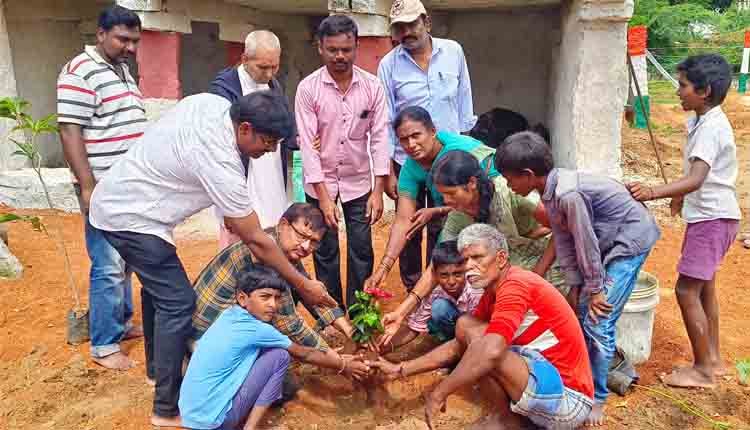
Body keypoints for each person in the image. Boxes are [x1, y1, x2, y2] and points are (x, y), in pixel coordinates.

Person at [89, 91, 337, 427]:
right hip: (130, 216)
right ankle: (166, 408)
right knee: (176, 302)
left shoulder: (215, 106)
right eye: (267, 141)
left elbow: (248, 227)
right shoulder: (220, 161)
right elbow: (256, 241)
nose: (271, 150)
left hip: (134, 203)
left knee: (157, 292)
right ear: (245, 128)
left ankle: (157, 370)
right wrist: (305, 288)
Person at [495, 131, 660, 426]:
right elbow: (563, 238)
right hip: (609, 240)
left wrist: (595, 288)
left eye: (510, 179)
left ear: (529, 174)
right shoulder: (551, 191)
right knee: (582, 310)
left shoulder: (567, 194)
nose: (508, 185)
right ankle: (592, 374)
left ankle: (597, 396)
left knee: (598, 320)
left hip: (629, 240)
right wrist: (575, 284)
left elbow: (585, 242)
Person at [371, 224, 594, 430]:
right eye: (466, 260)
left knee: (486, 345)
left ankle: (507, 419)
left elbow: (491, 350)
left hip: (569, 402)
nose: (469, 267)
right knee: (467, 327)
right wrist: (400, 369)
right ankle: (506, 417)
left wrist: (440, 392)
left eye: (477, 257)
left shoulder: (516, 284)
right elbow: (458, 345)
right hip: (544, 383)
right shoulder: (493, 291)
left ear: (501, 258)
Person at [627, 54, 739, 389]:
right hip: (716, 215)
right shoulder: (703, 121)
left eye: (683, 86)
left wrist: (653, 191)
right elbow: (696, 176)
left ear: (703, 91)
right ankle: (713, 359)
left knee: (685, 290)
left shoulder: (711, 128)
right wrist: (680, 196)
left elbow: (697, 178)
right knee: (705, 288)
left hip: (711, 219)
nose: (678, 91)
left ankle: (703, 370)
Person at [57, 5, 145, 370]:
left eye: (134, 41)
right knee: (108, 263)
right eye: (123, 39)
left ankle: (121, 323)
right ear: (101, 34)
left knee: (123, 261)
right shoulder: (80, 71)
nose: (130, 47)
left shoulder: (121, 69)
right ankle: (104, 344)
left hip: (128, 186)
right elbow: (69, 130)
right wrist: (88, 186)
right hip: (104, 187)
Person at [180, 265, 370, 430]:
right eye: (265, 297)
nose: (273, 305)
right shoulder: (258, 329)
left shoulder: (229, 316)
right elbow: (303, 353)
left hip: (191, 416)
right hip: (216, 422)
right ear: (242, 298)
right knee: (279, 356)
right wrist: (343, 366)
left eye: (277, 298)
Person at [378, 0, 476, 291]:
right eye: (399, 28)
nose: (406, 32)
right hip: (406, 159)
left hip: (450, 157)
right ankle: (412, 285)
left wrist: (465, 150)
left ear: (426, 22)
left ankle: (438, 284)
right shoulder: (388, 64)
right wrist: (388, 170)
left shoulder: (453, 52)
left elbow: (464, 103)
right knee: (408, 223)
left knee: (444, 220)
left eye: (411, 25)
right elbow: (384, 119)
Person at [296, 15, 390, 309]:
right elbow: (307, 147)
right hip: (319, 182)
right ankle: (332, 312)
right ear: (320, 48)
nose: (340, 56)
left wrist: (378, 190)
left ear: (356, 46)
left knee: (361, 248)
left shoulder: (372, 87)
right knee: (323, 248)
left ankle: (360, 310)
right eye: (332, 49)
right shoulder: (308, 89)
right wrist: (323, 197)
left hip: (359, 180)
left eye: (346, 50)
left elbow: (379, 138)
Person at [191, 203, 358, 356]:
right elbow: (289, 323)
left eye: (314, 242)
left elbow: (310, 292)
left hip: (217, 327)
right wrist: (332, 357)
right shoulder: (267, 255)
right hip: (205, 338)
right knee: (279, 355)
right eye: (301, 236)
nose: (306, 247)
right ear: (284, 225)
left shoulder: (279, 246)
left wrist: (349, 331)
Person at [364, 107, 497, 294]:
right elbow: (404, 220)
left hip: (491, 211)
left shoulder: (465, 151)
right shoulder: (410, 167)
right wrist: (383, 268)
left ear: (433, 131)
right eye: (403, 139)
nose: (411, 144)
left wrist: (437, 211)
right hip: (457, 214)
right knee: (443, 267)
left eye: (416, 135)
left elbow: (483, 197)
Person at [210, 30, 296, 247]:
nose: (268, 74)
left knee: (274, 231)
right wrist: (227, 206)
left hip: (272, 173)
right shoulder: (224, 91)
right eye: (262, 67)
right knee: (239, 242)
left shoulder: (274, 86)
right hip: (239, 177)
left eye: (274, 67)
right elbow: (219, 149)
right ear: (244, 59)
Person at [379, 240, 482, 351]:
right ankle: (453, 344)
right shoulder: (436, 292)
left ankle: (459, 352)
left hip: (482, 333)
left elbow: (480, 331)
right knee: (438, 308)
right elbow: (413, 329)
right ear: (435, 275)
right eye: (444, 275)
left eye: (457, 274)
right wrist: (380, 349)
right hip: (463, 328)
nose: (451, 281)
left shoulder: (476, 291)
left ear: (466, 270)